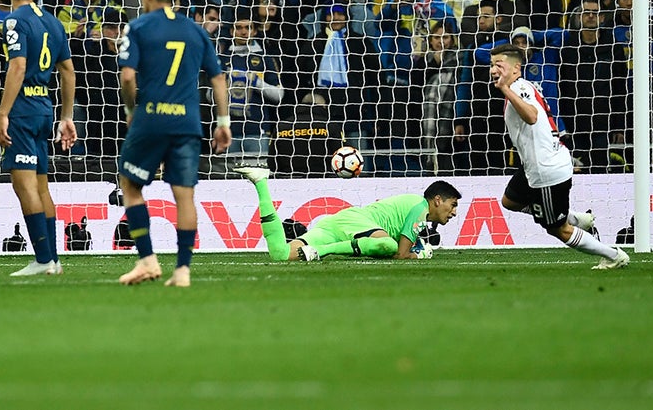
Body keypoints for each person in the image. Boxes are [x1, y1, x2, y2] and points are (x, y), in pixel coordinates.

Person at [117, 0, 230, 288]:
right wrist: (222, 121)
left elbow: (128, 76)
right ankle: (182, 271)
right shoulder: (195, 31)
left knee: (130, 185)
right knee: (185, 196)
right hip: (187, 123)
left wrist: (131, 110)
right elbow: (217, 78)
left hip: (151, 119)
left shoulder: (138, 26)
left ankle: (147, 260)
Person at [489, 43, 629, 269]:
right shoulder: (522, 86)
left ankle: (614, 255)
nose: (493, 70)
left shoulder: (517, 88)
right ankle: (576, 218)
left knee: (558, 229)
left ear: (516, 68)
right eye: (491, 65)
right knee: (510, 201)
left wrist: (505, 89)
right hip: (536, 164)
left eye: (499, 65)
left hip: (546, 170)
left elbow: (532, 116)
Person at [0, 0, 77, 276]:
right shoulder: (54, 22)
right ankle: (52, 260)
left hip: (23, 110)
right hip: (44, 108)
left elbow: (17, 66)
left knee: (25, 186)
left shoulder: (14, 20)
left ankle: (43, 260)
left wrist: (3, 113)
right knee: (42, 186)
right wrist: (66, 116)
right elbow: (68, 70)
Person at [238, 168, 461, 261]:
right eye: (452, 205)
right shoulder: (421, 208)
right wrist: (419, 255)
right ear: (437, 200)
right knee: (388, 245)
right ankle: (322, 251)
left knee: (281, 255)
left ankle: (260, 181)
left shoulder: (418, 210)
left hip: (341, 225)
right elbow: (400, 255)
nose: (454, 212)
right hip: (358, 223)